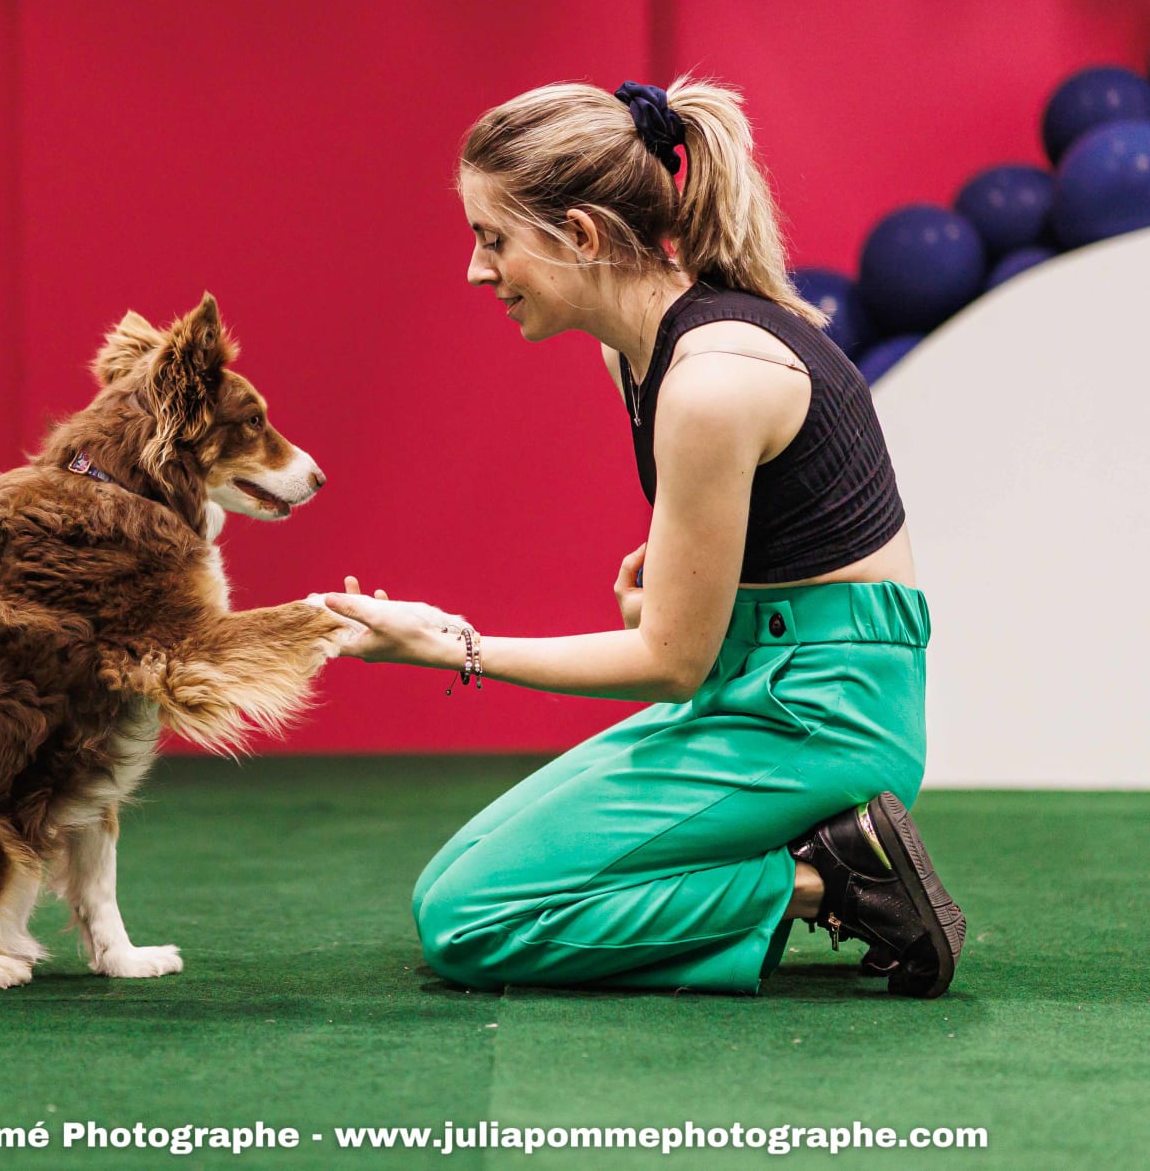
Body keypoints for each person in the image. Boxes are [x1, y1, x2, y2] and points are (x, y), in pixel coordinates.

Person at [318, 78, 965, 998]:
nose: (475, 270)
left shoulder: (711, 379)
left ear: (579, 235)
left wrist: (453, 645)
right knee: (451, 879)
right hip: (764, 680)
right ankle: (822, 864)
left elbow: (671, 663)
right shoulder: (636, 349)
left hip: (824, 714)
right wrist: (695, 595)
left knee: (467, 919)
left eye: (492, 238)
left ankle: (840, 885)